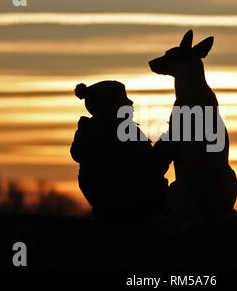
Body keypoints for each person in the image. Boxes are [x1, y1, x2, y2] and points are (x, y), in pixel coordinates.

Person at [70, 81, 166, 222]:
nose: (130, 102)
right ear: (110, 105)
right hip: (134, 207)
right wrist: (169, 143)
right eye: (124, 99)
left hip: (106, 206)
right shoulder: (124, 132)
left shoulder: (90, 132)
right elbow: (151, 165)